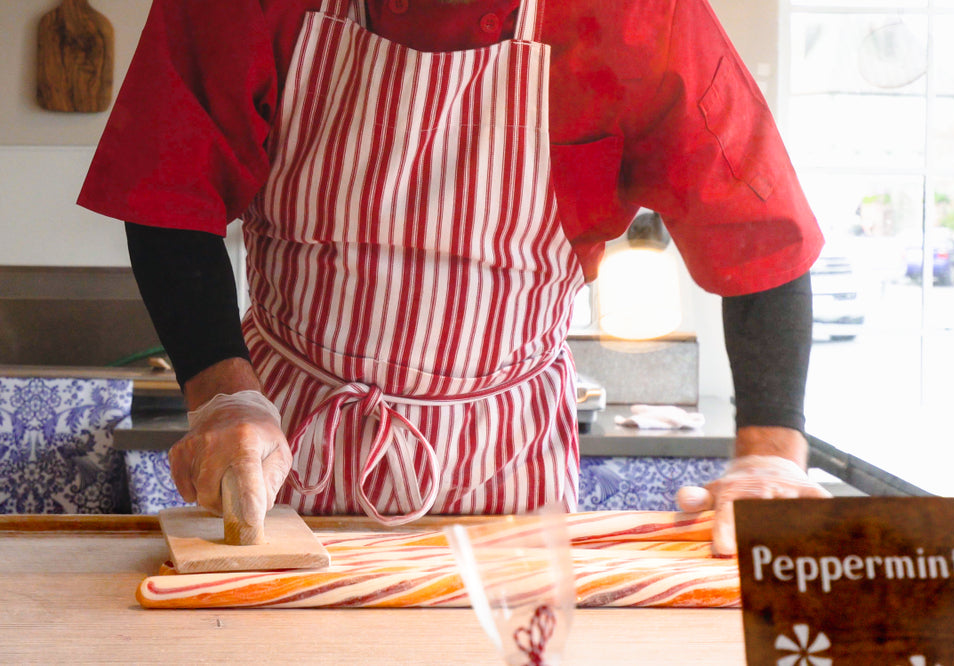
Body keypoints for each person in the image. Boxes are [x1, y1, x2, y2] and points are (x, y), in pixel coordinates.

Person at [79, 0, 830, 554]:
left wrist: (769, 457)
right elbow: (168, 192)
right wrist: (224, 398)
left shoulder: (640, 17)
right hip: (280, 460)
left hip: (510, 470)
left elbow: (758, 235)